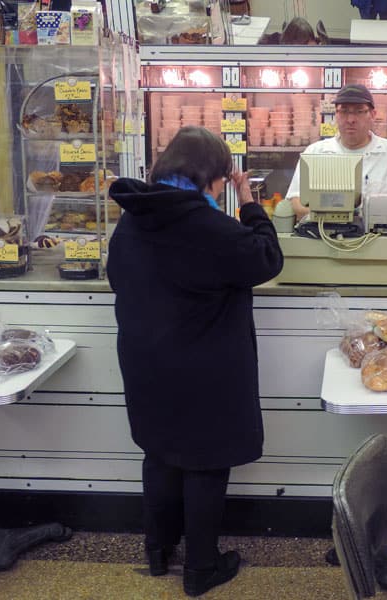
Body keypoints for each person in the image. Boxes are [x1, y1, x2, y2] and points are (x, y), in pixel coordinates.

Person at [106, 126, 283, 597]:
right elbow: (267, 258)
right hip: (204, 366)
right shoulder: (212, 228)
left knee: (160, 452)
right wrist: (249, 202)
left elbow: (116, 278)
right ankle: (202, 568)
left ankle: (158, 551)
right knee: (205, 461)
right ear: (210, 176)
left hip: (146, 360)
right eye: (224, 180)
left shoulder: (132, 219)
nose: (223, 189)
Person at [285, 83, 387, 221]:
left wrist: (366, 216)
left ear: (372, 114)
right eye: (344, 111)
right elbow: (297, 203)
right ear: (336, 114)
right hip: (324, 242)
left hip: (380, 243)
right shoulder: (315, 152)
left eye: (359, 111)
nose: (351, 119)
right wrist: (339, 218)